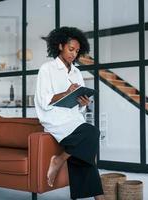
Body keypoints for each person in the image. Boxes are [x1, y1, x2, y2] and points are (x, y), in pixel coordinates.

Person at [34, 27, 105, 200]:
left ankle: (97, 197)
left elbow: (78, 105)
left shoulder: (77, 72)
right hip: (55, 119)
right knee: (92, 132)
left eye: (77, 51)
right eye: (70, 49)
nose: (74, 54)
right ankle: (58, 161)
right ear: (60, 46)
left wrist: (83, 103)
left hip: (73, 119)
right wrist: (66, 93)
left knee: (87, 150)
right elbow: (43, 100)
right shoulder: (47, 69)